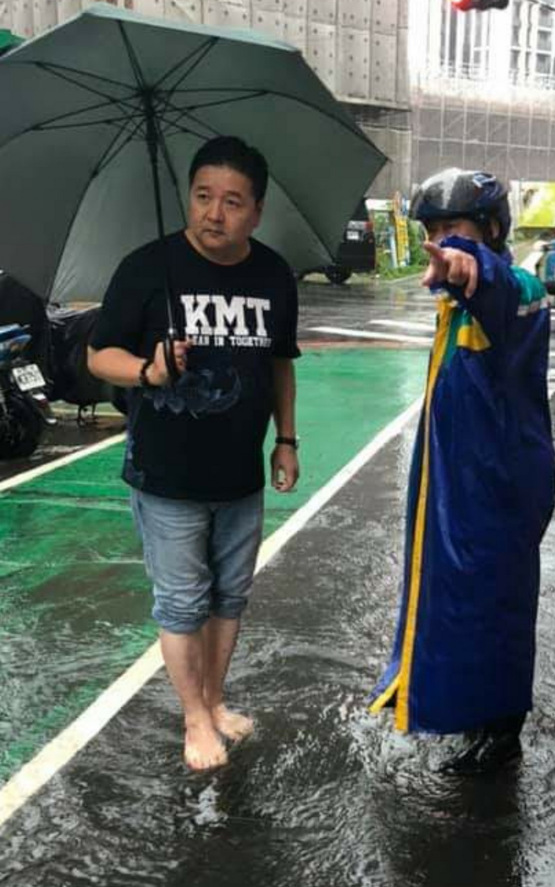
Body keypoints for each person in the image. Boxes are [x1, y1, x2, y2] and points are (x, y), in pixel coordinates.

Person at [88, 136, 301, 771]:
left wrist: (286, 439)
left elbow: (280, 364)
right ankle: (193, 720)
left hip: (240, 474)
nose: (214, 213)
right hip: (166, 474)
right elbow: (99, 355)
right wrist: (149, 372)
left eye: (232, 202)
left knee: (229, 597)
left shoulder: (273, 275)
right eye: (203, 196)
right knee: (183, 602)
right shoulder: (146, 267)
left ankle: (213, 700)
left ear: (256, 211)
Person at [369, 169, 555, 775]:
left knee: (496, 607)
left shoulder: (518, 290)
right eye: (435, 230)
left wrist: (470, 265)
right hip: (459, 482)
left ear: (492, 230)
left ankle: (500, 731)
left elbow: (501, 288)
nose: (443, 240)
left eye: (456, 227)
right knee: (455, 600)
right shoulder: (452, 307)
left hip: (500, 486)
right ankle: (471, 713)